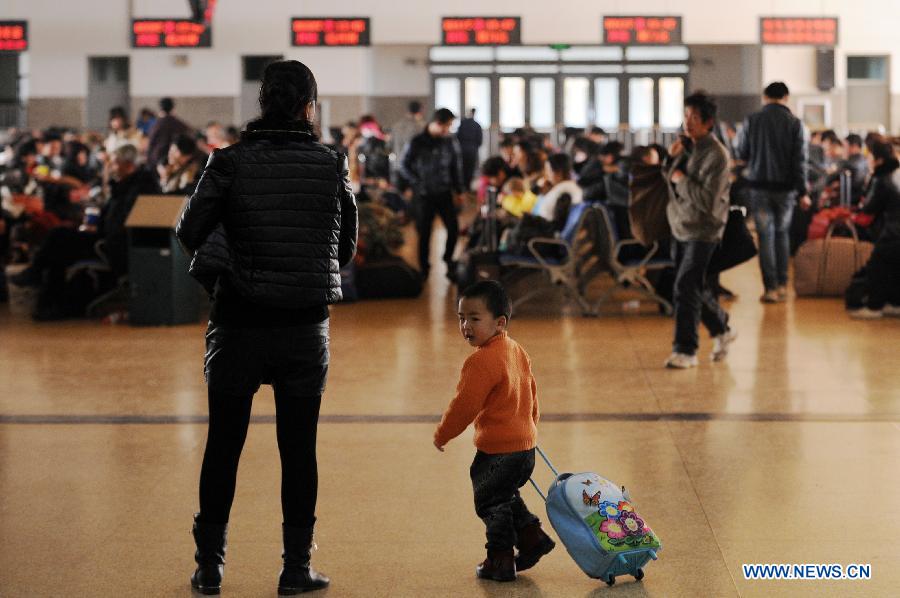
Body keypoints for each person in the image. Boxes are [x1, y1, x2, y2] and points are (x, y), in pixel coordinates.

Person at [175, 60, 358, 596]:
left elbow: (190, 230)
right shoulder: (331, 163)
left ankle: (210, 568)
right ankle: (295, 569)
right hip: (304, 328)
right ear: (309, 107)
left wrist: (230, 261)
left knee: (223, 445)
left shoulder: (226, 163)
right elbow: (343, 250)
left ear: (262, 103)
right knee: (298, 449)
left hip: (237, 324)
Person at [433, 280, 555, 582]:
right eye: (461, 318)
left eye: (475, 318)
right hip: (524, 448)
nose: (466, 326)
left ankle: (499, 560)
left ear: (499, 322)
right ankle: (531, 537)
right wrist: (530, 426)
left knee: (489, 501)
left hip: (498, 451)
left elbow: (464, 406)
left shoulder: (481, 361)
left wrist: (443, 433)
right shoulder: (516, 350)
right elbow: (532, 392)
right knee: (504, 495)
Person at [10, 144, 159, 319]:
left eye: (115, 163)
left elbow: (124, 221)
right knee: (57, 243)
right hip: (104, 238)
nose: (111, 167)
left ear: (127, 164)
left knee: (58, 240)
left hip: (113, 246)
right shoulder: (125, 185)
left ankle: (43, 289)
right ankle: (47, 303)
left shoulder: (139, 187)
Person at [664, 92, 735, 369]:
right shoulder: (688, 147)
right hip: (681, 225)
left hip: (704, 231)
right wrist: (671, 161)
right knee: (692, 286)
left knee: (686, 285)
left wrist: (680, 177)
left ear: (708, 122)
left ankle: (686, 349)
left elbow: (707, 200)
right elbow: (669, 181)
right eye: (686, 116)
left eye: (694, 118)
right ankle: (723, 328)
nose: (687, 122)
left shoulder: (716, 155)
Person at [736, 81, 810, 303]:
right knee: (782, 234)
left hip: (758, 188)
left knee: (765, 236)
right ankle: (782, 285)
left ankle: (770, 288)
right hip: (786, 191)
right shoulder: (796, 124)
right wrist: (803, 191)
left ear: (765, 97)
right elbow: (801, 161)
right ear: (786, 97)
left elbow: (742, 152)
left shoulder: (752, 120)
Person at [399, 108, 465, 280]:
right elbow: (404, 165)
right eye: (447, 126)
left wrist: (459, 191)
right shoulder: (417, 142)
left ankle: (449, 261)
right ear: (437, 123)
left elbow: (455, 168)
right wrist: (415, 183)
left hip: (444, 193)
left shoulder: (450, 142)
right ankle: (424, 268)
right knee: (424, 232)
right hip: (423, 195)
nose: (448, 130)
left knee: (453, 228)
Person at [848, 139, 900, 319]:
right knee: (895, 267)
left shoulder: (882, 178)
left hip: (893, 233)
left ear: (878, 159)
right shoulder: (896, 173)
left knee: (879, 267)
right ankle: (894, 302)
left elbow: (870, 208)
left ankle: (874, 306)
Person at [534, 153, 582, 224]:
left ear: (559, 172)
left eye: (548, 171)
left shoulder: (565, 191)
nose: (546, 175)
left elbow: (557, 221)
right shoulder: (568, 187)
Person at [147, 97, 190, 167]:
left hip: (156, 158)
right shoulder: (177, 123)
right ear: (172, 108)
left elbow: (151, 142)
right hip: (173, 158)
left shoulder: (157, 123)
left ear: (160, 108)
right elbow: (189, 132)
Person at [457, 108, 484, 186]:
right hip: (472, 150)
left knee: (462, 168)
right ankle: (467, 186)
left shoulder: (462, 123)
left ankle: (462, 187)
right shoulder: (477, 125)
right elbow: (480, 140)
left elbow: (458, 136)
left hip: (462, 149)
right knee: (470, 169)